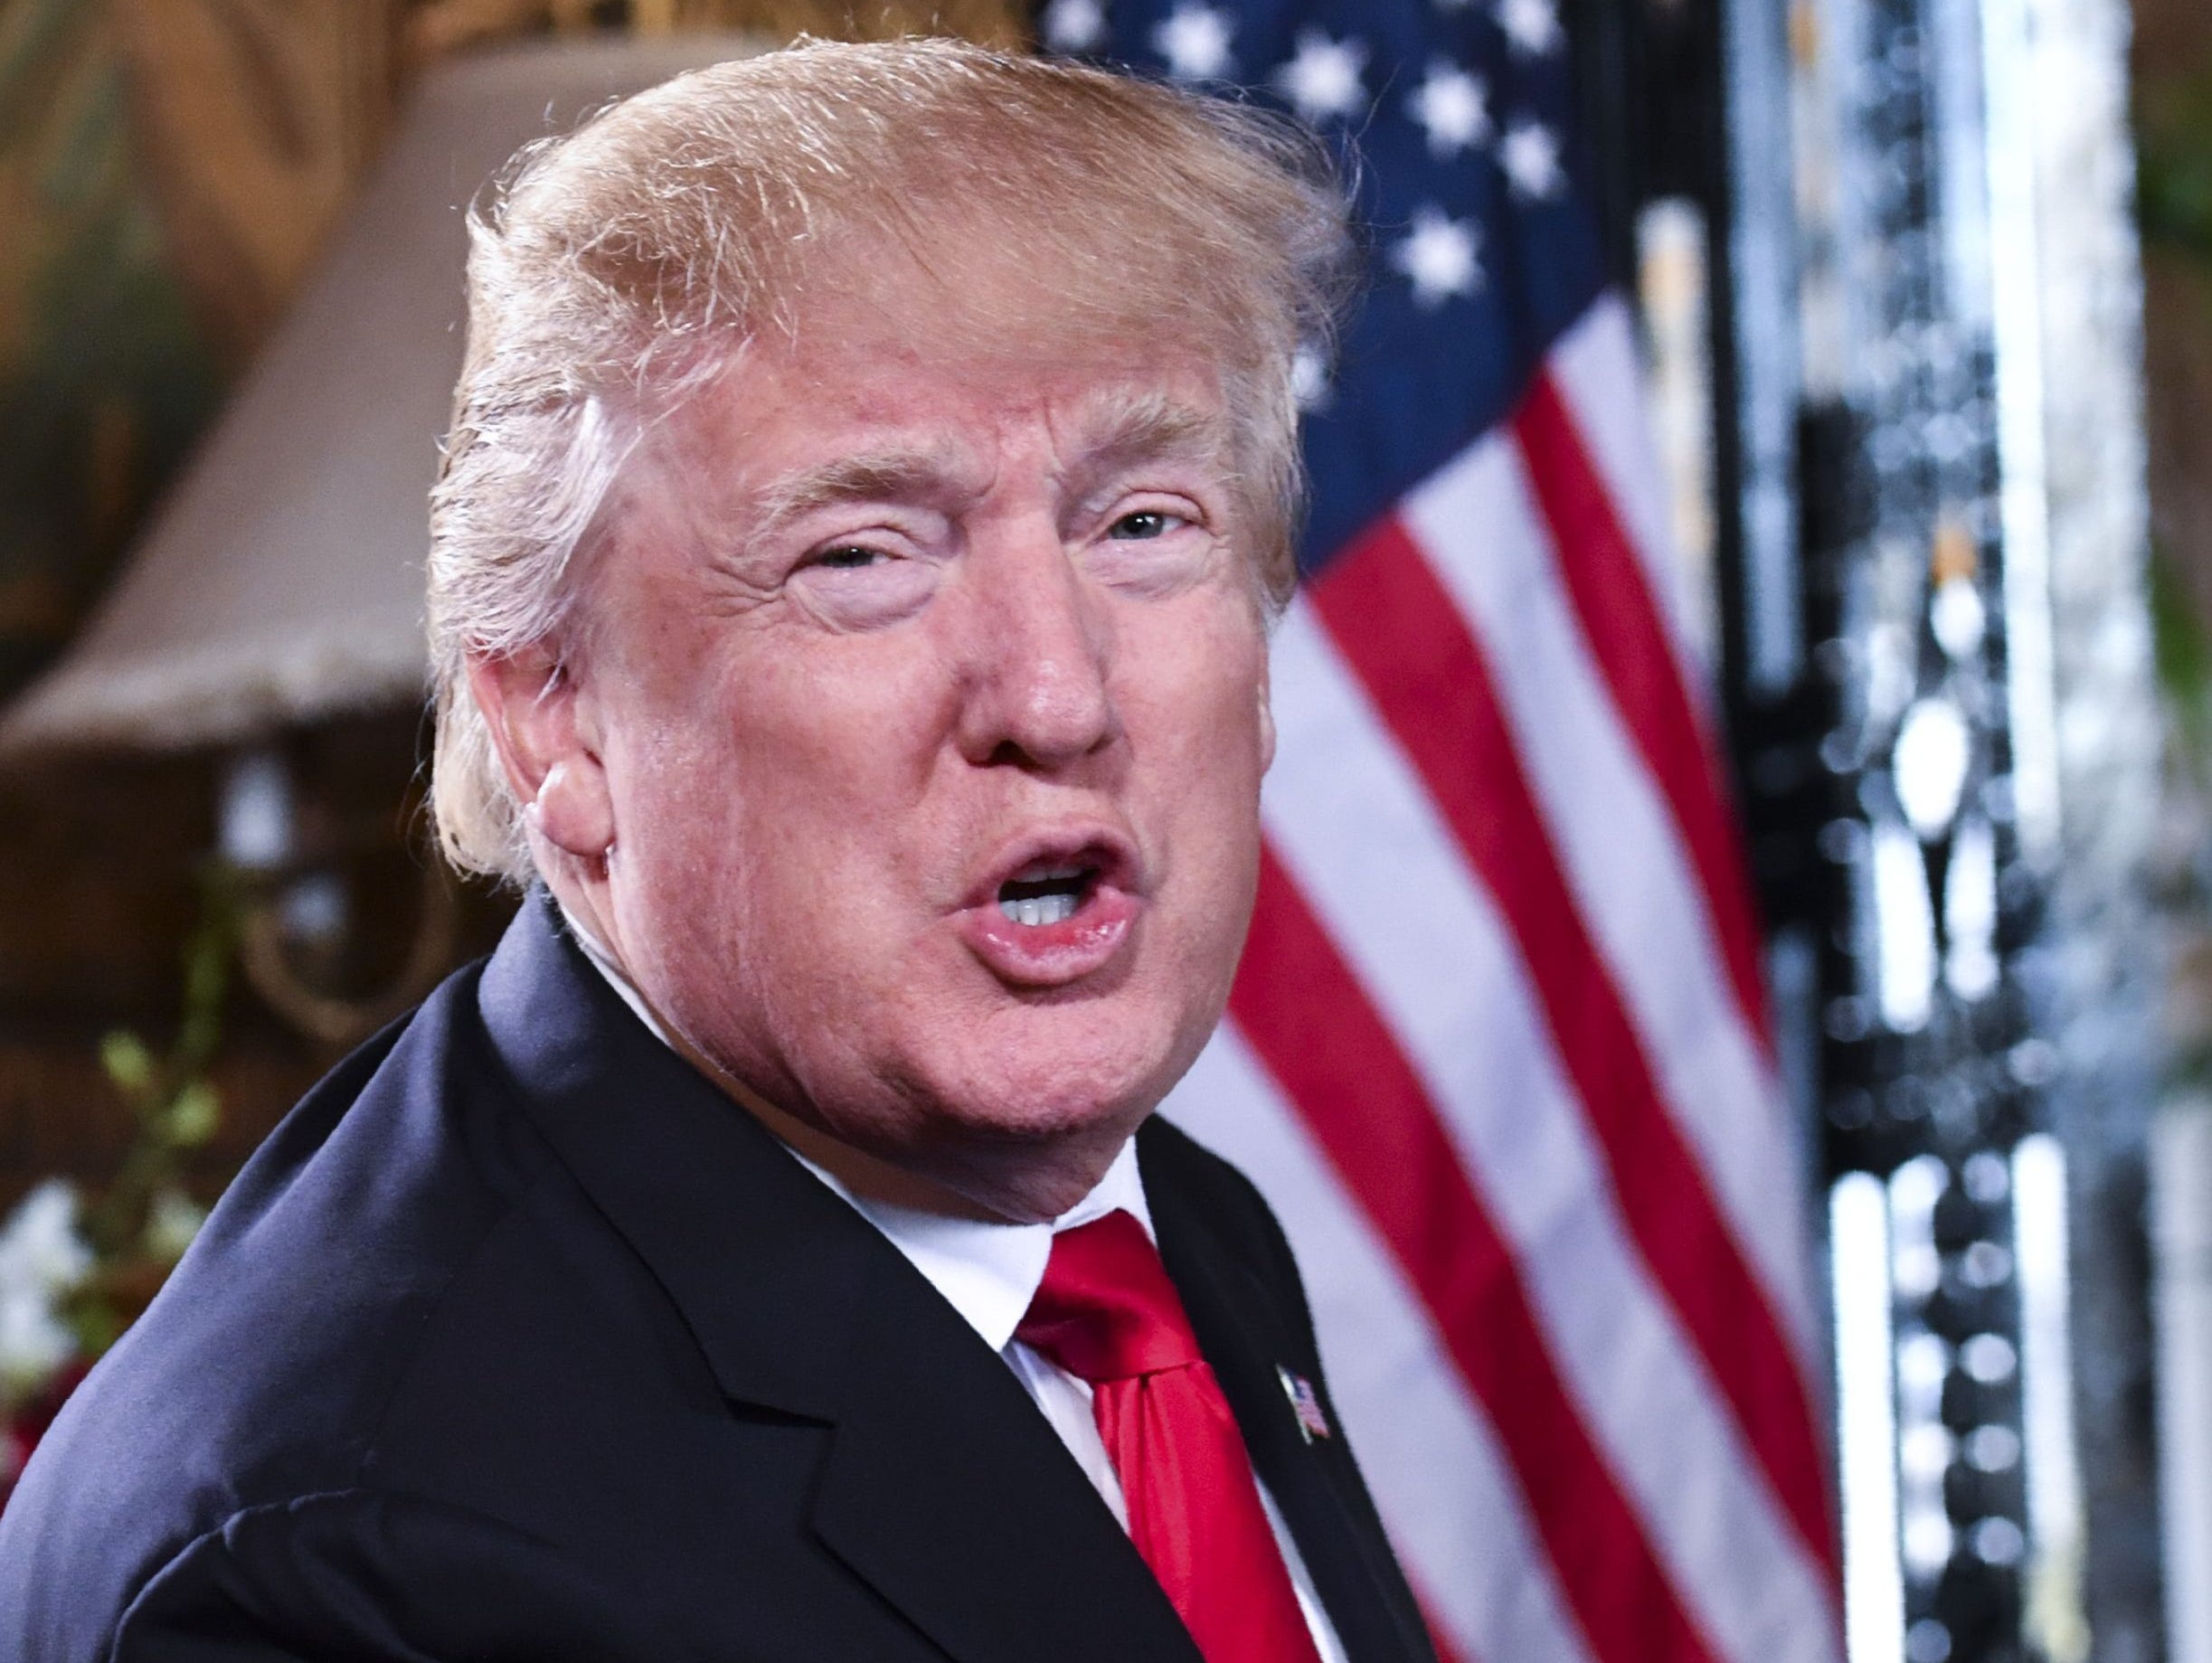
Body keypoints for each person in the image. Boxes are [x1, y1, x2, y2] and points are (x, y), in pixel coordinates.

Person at [0, 39, 1435, 1663]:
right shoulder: (344, 1564)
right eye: (864, 554)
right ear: (556, 718)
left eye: (1141, 524)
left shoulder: (1153, 1230)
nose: (1056, 693)